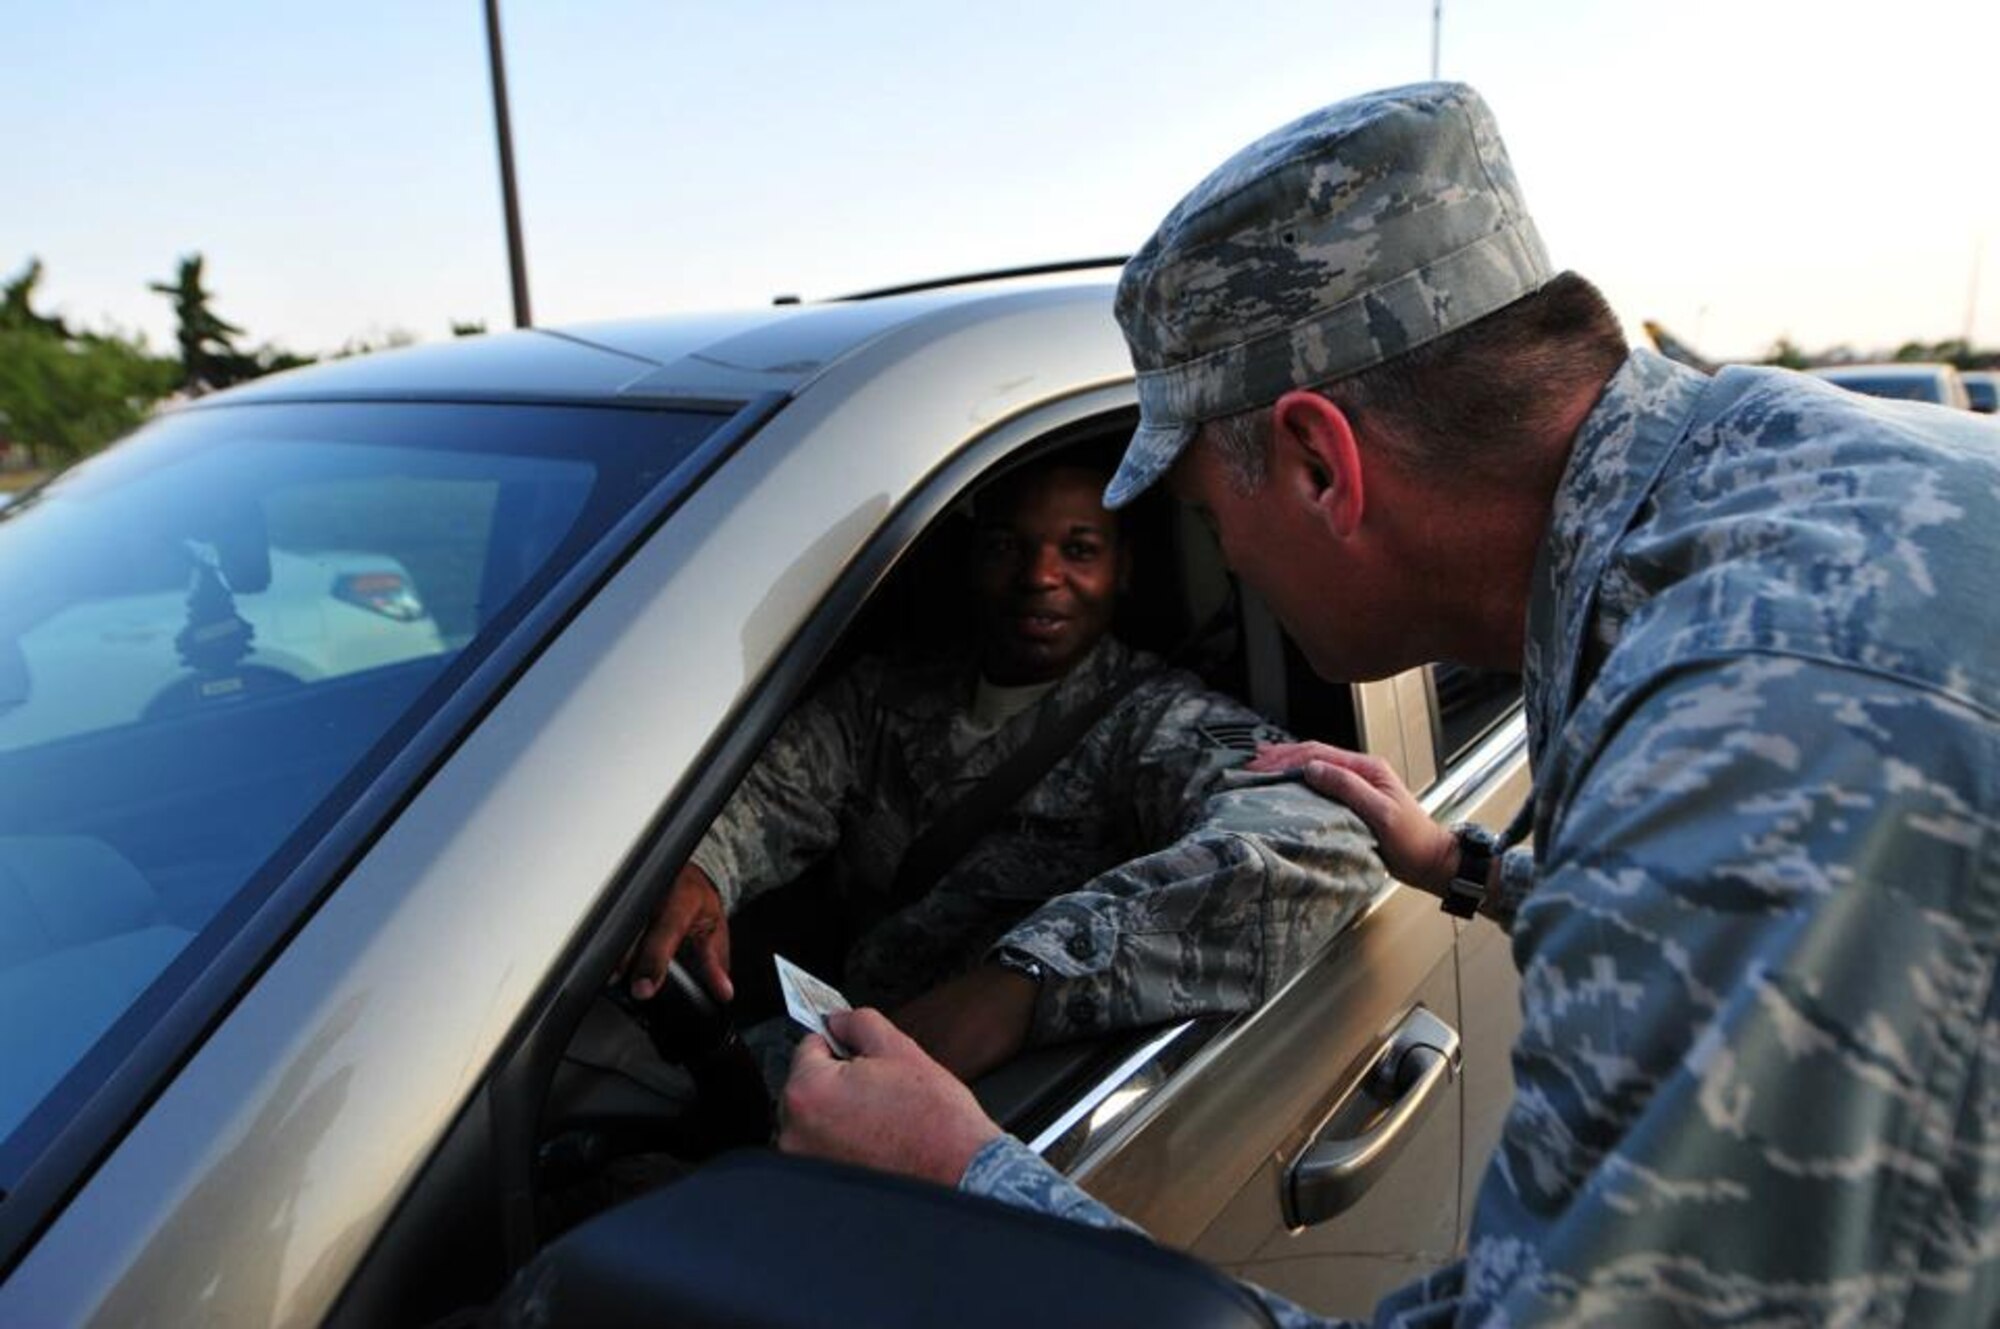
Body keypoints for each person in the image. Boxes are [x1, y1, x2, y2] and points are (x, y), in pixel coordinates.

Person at [776, 82, 2000, 1325]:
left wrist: (966, 1193)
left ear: (1319, 463)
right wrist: (1476, 873)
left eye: (1207, 516)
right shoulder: (1788, 483)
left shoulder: (1748, 731)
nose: (1229, 566)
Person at [624, 449, 1381, 1083]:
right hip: (828, 1056)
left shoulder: (1155, 721)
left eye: (1078, 549)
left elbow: (1323, 844)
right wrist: (703, 869)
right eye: (1007, 546)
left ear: (1122, 570)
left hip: (1008, 1103)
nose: (1039, 576)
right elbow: (772, 792)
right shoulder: (887, 695)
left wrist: (1024, 985)